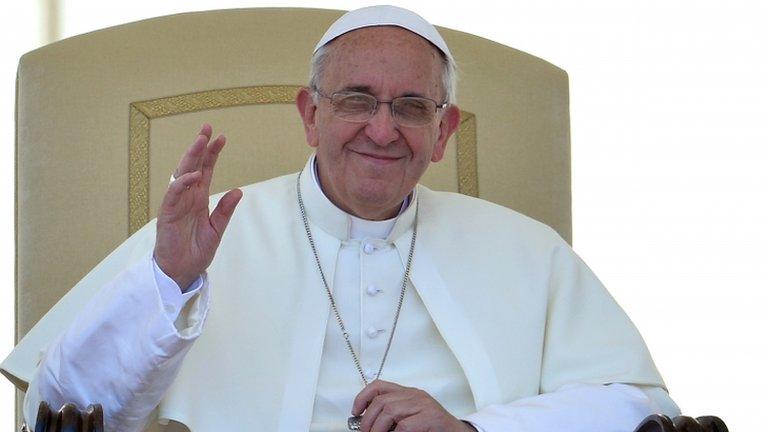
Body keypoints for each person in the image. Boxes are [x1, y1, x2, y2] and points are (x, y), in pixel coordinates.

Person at [3, 5, 680, 432]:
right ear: (310, 114)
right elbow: (64, 412)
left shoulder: (527, 252)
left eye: (412, 107)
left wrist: (472, 431)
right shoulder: (207, 238)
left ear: (442, 134)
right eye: (358, 99)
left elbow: (638, 410)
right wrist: (165, 284)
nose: (382, 131)